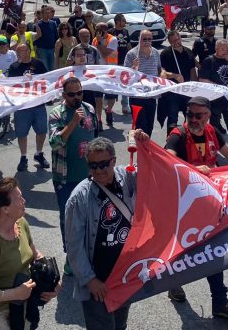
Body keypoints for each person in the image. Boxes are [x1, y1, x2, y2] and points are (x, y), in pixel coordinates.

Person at [163, 96, 228, 321]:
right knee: (183, 249)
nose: (192, 119)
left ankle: (220, 302)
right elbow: (167, 161)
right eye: (189, 115)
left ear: (208, 115)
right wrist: (193, 169)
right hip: (185, 206)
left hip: (210, 205)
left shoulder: (211, 131)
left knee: (214, 252)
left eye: (198, 115)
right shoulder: (177, 136)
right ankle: (174, 283)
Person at [65, 135, 141, 330]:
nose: (98, 170)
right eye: (92, 166)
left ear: (114, 161)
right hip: (98, 282)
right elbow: (73, 245)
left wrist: (145, 143)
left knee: (120, 325)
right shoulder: (79, 199)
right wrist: (90, 280)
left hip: (123, 276)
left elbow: (157, 173)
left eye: (103, 164)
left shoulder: (128, 177)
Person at [0, 177, 60, 327]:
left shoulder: (20, 223)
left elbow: (34, 254)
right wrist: (13, 294)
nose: (24, 200)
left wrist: (53, 279)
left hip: (21, 308)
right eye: (19, 198)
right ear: (5, 209)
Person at [48, 77, 98, 264]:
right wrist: (74, 122)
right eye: (72, 94)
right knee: (68, 219)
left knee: (90, 217)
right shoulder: (56, 114)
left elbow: (95, 138)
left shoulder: (90, 109)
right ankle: (71, 256)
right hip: (65, 177)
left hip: (89, 176)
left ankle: (86, 252)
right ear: (64, 95)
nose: (77, 97)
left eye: (79, 93)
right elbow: (54, 143)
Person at [197, 40, 228, 154]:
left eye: (227, 49)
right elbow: (202, 79)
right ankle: (213, 147)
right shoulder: (209, 61)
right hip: (215, 99)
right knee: (214, 125)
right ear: (216, 48)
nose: (226, 51)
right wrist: (220, 88)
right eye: (223, 49)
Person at [7, 43, 50, 172]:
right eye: (17, 51)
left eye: (22, 50)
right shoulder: (14, 67)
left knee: (41, 130)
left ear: (29, 51)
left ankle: (39, 153)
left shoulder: (38, 63)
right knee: (21, 133)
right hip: (22, 106)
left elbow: (47, 80)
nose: (19, 53)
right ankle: (23, 156)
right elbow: (9, 85)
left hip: (38, 103)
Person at [123, 30, 160, 137]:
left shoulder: (156, 53)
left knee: (149, 127)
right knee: (140, 127)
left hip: (151, 96)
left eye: (149, 39)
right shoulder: (132, 54)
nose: (147, 41)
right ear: (139, 39)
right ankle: (141, 151)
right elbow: (124, 75)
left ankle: (146, 150)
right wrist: (133, 67)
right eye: (144, 39)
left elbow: (158, 70)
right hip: (137, 96)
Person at [158, 30, 197, 130]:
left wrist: (196, 85)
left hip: (187, 90)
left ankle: (187, 139)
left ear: (180, 37)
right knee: (172, 119)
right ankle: (171, 141)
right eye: (173, 41)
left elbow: (192, 70)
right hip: (173, 92)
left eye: (177, 39)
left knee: (191, 117)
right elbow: (162, 73)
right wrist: (175, 75)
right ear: (170, 42)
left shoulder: (188, 52)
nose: (176, 42)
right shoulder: (165, 54)